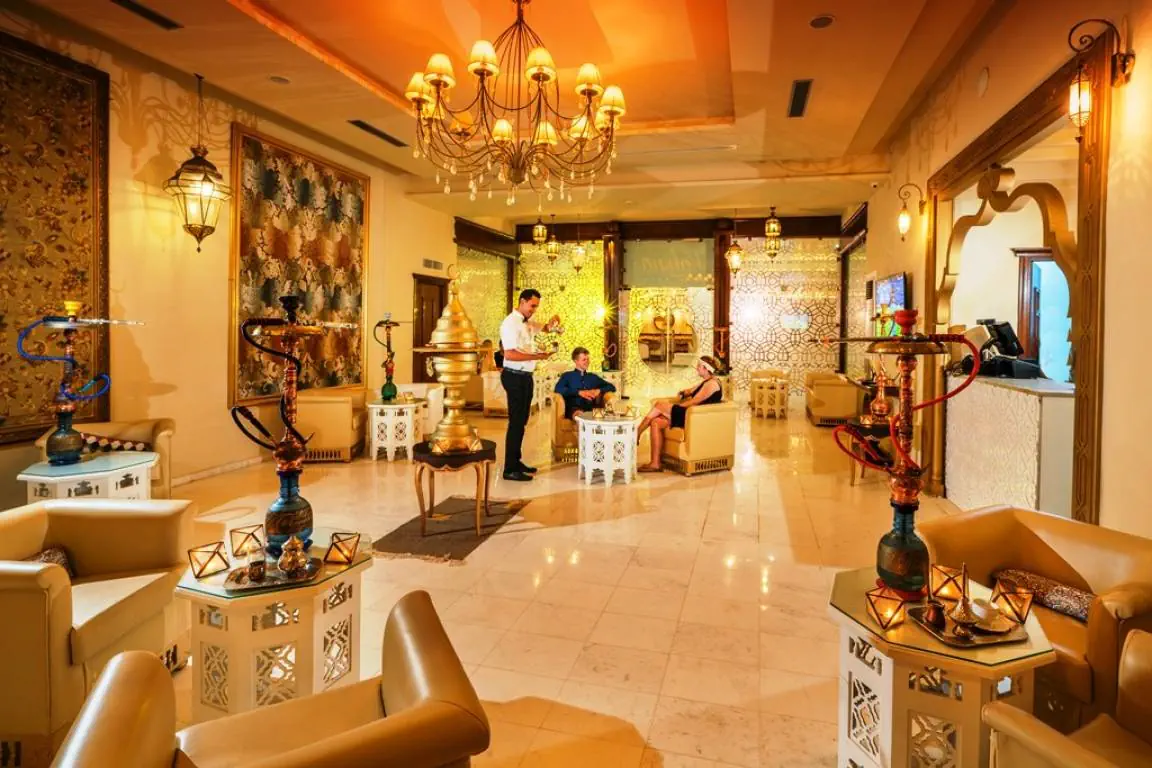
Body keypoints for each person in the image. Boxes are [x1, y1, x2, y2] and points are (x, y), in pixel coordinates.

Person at [498, 289, 561, 481]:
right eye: (532, 306)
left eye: (536, 307)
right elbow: (509, 354)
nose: (534, 310)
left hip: (525, 376)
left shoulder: (526, 322)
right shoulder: (510, 323)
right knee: (516, 423)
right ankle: (509, 469)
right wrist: (538, 356)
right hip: (514, 376)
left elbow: (545, 328)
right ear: (522, 301)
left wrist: (552, 323)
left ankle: (516, 461)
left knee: (522, 421)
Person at [636, 356, 723, 473]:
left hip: (693, 417)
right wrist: (683, 393)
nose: (697, 368)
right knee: (656, 422)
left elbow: (694, 401)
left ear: (706, 369)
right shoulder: (706, 381)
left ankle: (637, 432)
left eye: (699, 366)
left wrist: (675, 407)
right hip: (689, 414)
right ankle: (655, 463)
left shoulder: (712, 384)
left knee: (659, 405)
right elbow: (689, 391)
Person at [555, 347, 617, 419]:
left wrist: (599, 390)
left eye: (588, 359)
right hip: (573, 409)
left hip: (591, 409)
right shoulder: (567, 376)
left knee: (603, 413)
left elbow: (612, 387)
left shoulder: (593, 377)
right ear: (576, 361)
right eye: (584, 360)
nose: (587, 362)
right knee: (578, 413)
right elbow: (558, 389)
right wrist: (579, 392)